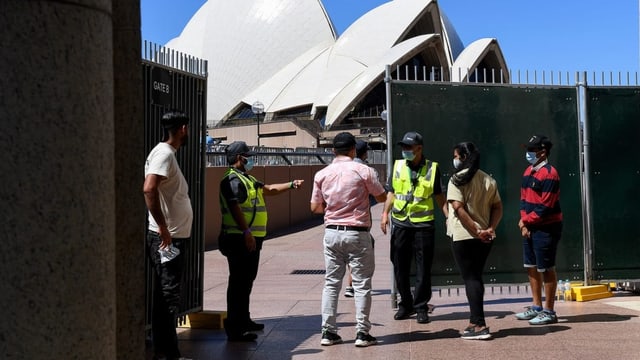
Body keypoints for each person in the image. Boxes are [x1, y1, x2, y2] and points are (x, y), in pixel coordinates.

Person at [219, 141, 304, 341]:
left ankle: (244, 320)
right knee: (238, 283)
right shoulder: (232, 180)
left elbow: (270, 190)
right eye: (248, 156)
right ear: (240, 158)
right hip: (239, 238)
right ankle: (235, 327)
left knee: (246, 281)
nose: (251, 159)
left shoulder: (247, 178)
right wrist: (246, 231)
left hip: (250, 238)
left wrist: (291, 185)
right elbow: (235, 208)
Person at [310, 132, 387, 347]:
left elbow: (315, 207)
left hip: (332, 232)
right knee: (362, 284)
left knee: (332, 283)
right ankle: (362, 333)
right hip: (357, 232)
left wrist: (335, 206)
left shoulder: (321, 174)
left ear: (333, 150)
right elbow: (381, 196)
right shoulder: (363, 170)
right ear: (353, 150)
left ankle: (328, 331)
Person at [381, 131, 446, 324]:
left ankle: (421, 306)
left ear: (419, 149)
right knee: (399, 265)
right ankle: (405, 304)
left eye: (409, 147)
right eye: (403, 147)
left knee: (423, 268)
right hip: (401, 222)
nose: (405, 151)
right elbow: (392, 192)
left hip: (423, 225)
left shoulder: (432, 168)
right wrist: (385, 214)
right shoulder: (398, 165)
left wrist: (449, 217)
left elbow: (439, 197)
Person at [143, 110, 193, 360]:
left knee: (165, 295)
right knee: (168, 295)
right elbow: (149, 189)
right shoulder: (164, 154)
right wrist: (163, 228)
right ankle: (167, 354)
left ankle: (164, 351)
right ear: (183, 129)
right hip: (167, 239)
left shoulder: (164, 153)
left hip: (170, 237)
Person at [446, 142, 503, 340]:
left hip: (464, 236)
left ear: (462, 157)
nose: (453, 160)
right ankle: (474, 321)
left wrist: (477, 230)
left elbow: (458, 209)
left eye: (455, 156)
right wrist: (489, 229)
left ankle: (479, 324)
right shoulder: (487, 179)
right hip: (484, 238)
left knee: (470, 278)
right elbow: (498, 207)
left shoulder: (456, 180)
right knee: (476, 277)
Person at [515, 134, 563, 325]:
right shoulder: (528, 172)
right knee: (531, 266)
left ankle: (549, 311)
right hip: (529, 226)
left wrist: (527, 221)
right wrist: (524, 221)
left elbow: (546, 206)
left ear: (543, 153)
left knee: (546, 267)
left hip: (546, 228)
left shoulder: (550, 173)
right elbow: (523, 199)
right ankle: (536, 307)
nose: (528, 153)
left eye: (532, 150)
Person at [343, 140, 376, 298]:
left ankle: (350, 285)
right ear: (363, 153)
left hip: (338, 222)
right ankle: (354, 285)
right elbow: (379, 194)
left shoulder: (339, 169)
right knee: (360, 254)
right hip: (359, 221)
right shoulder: (365, 170)